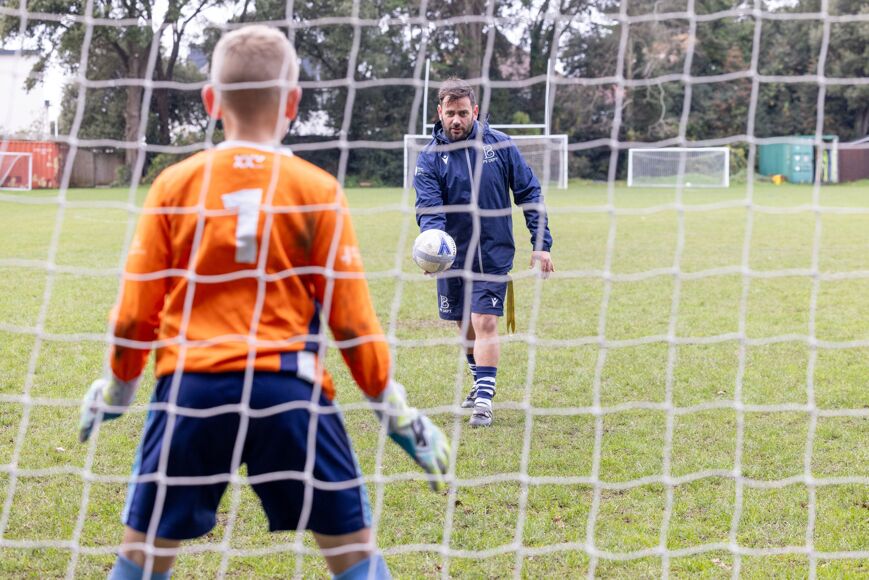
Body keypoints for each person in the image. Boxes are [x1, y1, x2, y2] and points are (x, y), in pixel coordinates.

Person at [78, 25, 449, 580]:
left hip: (191, 393)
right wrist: (399, 415)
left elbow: (135, 315)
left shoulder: (174, 186)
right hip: (289, 393)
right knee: (356, 559)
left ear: (211, 101)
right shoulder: (316, 189)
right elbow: (352, 323)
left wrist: (117, 389)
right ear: (293, 103)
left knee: (140, 560)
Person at [413, 78, 555, 428]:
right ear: (440, 112)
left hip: (492, 253)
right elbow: (430, 209)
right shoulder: (429, 158)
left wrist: (540, 243)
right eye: (450, 113)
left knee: (485, 321)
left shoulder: (501, 145)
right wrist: (432, 248)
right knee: (464, 326)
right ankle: (480, 383)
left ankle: (484, 401)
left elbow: (529, 192)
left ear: (474, 111)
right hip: (452, 257)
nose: (456, 120)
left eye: (463, 113)